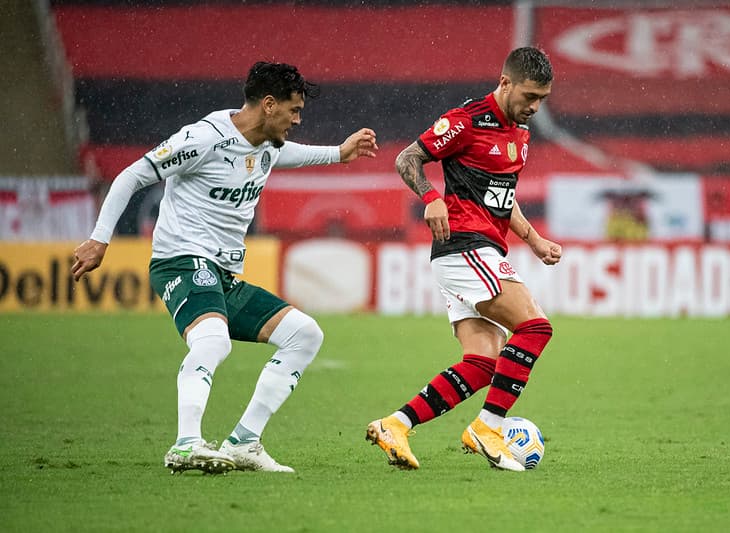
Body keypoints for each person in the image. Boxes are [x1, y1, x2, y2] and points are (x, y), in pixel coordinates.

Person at [72, 62, 378, 474]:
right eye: (293, 110)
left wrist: (340, 153)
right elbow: (131, 176)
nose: (298, 119)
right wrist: (100, 238)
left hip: (223, 274)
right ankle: (185, 445)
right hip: (180, 259)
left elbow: (288, 155)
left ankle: (243, 442)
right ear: (269, 106)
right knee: (213, 340)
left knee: (304, 335)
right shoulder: (203, 139)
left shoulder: (265, 146)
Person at [366, 47, 561, 472]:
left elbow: (501, 201)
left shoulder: (520, 137)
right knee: (535, 327)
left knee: (483, 362)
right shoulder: (466, 121)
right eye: (529, 95)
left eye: (542, 99)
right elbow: (407, 158)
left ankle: (394, 424)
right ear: (505, 82)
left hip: (477, 248)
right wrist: (431, 197)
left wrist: (534, 239)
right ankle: (489, 427)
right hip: (464, 246)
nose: (535, 107)